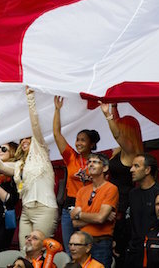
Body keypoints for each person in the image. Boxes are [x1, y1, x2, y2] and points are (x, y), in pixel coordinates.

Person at [0, 87, 57, 249]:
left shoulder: (41, 154)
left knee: (40, 250)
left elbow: (35, 125)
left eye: (28, 138)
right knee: (24, 250)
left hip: (44, 209)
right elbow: (1, 166)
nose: (25, 140)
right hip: (26, 210)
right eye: (22, 139)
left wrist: (30, 99)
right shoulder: (18, 165)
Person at [99, 102, 143, 267]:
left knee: (118, 245)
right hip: (112, 198)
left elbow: (117, 134)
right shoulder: (121, 151)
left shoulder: (131, 150)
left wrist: (107, 115)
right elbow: (118, 132)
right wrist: (114, 107)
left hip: (122, 202)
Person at [53, 95, 99, 252]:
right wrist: (57, 110)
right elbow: (57, 134)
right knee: (70, 249)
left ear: (91, 144)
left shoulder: (98, 161)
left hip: (89, 207)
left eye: (83, 140)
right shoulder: (70, 156)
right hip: (69, 207)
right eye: (77, 139)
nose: (78, 143)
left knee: (86, 248)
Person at [72, 153, 118, 268]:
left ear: (105, 168)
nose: (91, 164)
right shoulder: (82, 191)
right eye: (89, 162)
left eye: (95, 162)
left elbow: (99, 218)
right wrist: (99, 217)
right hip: (82, 244)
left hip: (101, 242)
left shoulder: (111, 188)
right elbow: (75, 222)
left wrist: (80, 215)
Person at [125, 153, 159, 267]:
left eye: (136, 166)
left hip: (154, 250)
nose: (131, 170)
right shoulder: (132, 194)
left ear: (147, 170)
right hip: (134, 250)